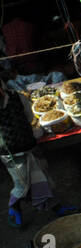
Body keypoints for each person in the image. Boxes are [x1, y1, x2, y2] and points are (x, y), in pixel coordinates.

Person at [0, 81, 74, 227]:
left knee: (44, 179)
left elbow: (29, 117)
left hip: (30, 146)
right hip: (11, 155)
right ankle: (14, 207)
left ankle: (56, 207)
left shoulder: (17, 98)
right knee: (22, 185)